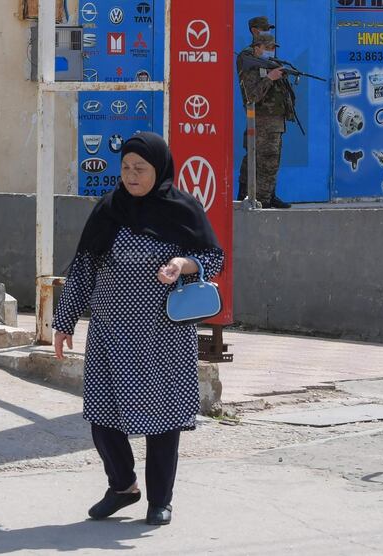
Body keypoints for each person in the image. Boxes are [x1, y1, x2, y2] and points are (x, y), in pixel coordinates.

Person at [53, 133, 224, 526]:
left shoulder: (182, 208)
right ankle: (122, 486)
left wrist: (182, 264)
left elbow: (213, 257)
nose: (131, 175)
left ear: (159, 169)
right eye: (126, 167)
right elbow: (82, 269)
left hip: (162, 333)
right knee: (102, 414)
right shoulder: (109, 209)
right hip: (110, 331)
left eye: (140, 168)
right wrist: (63, 322)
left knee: (163, 418)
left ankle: (159, 501)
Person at [237, 34, 295, 208]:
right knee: (266, 164)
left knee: (268, 163)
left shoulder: (268, 65)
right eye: (268, 48)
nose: (272, 51)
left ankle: (265, 197)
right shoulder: (251, 68)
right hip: (262, 124)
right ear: (257, 48)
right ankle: (263, 201)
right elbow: (251, 96)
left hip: (274, 124)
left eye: (273, 48)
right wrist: (270, 78)